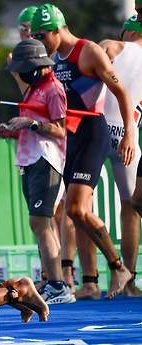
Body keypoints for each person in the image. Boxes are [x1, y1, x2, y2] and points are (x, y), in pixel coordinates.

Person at [31, 3, 136, 298]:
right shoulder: (55, 58)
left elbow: (121, 92)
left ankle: (118, 267)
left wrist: (129, 134)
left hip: (93, 133)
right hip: (72, 138)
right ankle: (91, 279)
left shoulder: (87, 51)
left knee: (77, 208)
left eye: (42, 35)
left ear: (56, 29)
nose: (40, 42)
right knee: (76, 214)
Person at [0, 39, 74, 304]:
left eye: (23, 67)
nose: (20, 72)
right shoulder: (34, 88)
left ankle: (58, 285)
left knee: (40, 222)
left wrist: (30, 123)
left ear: (37, 66)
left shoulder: (53, 89)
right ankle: (53, 281)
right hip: (30, 160)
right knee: (39, 223)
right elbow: (33, 123)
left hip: (47, 160)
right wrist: (12, 128)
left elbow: (61, 129)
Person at [86, 15, 142, 298]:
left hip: (96, 131)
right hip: (128, 136)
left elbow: (85, 72)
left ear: (127, 32)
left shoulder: (112, 46)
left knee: (82, 207)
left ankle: (90, 280)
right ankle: (129, 280)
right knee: (131, 207)